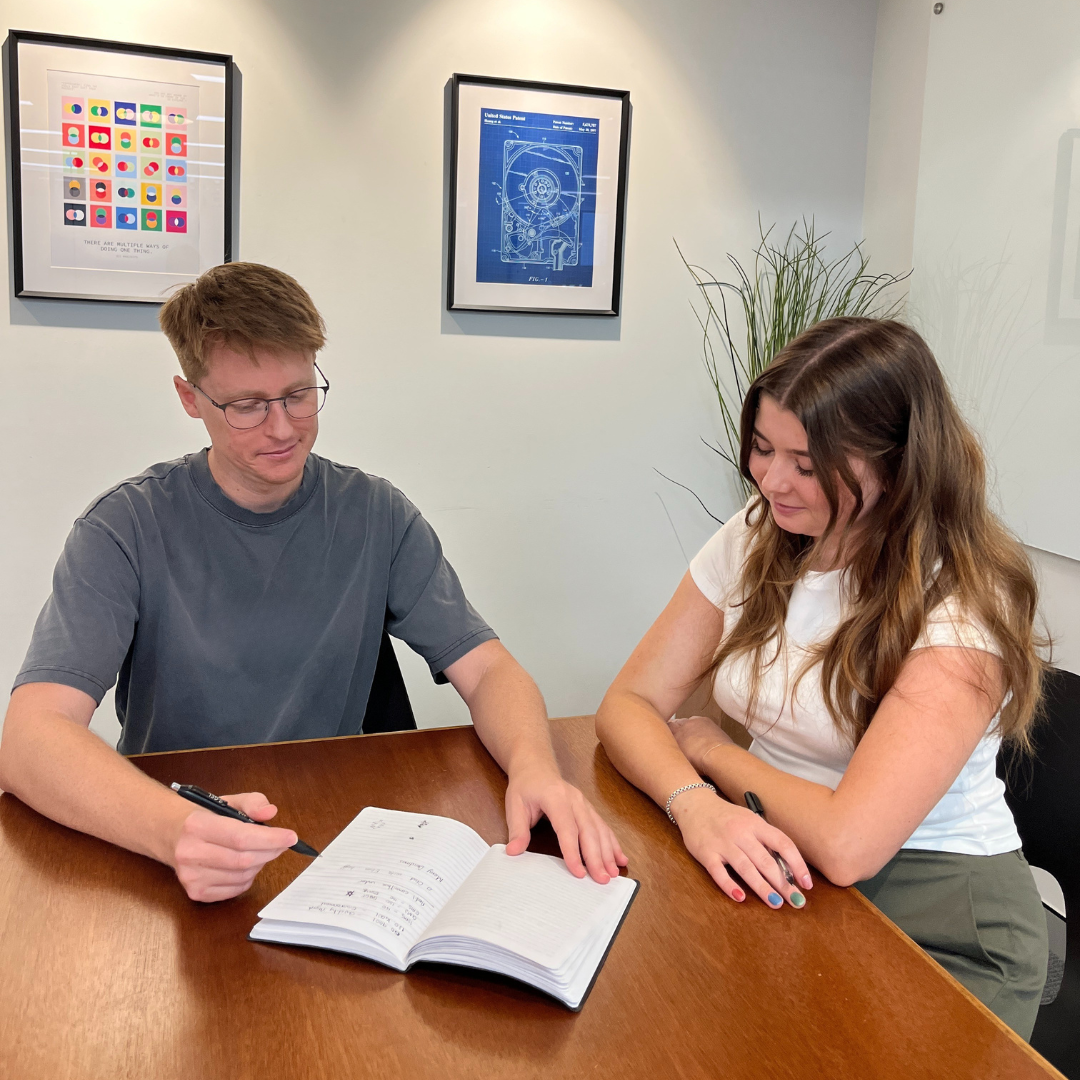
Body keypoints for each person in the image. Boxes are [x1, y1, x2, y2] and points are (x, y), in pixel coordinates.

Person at [0, 261, 626, 903]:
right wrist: (173, 829)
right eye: (246, 406)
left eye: (299, 395)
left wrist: (536, 770)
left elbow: (490, 670)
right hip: (176, 833)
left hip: (338, 839)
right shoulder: (125, 528)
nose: (282, 428)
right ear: (190, 399)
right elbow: (30, 737)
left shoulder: (376, 514)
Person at [595, 317, 1048, 1038]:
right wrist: (697, 806)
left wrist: (710, 751)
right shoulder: (761, 532)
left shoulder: (963, 611)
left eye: (806, 465)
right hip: (773, 850)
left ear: (898, 463)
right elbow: (626, 703)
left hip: (938, 918)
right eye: (764, 449)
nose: (773, 480)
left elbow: (848, 844)